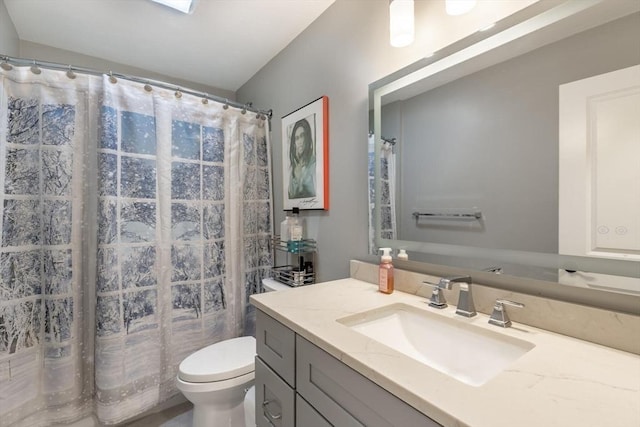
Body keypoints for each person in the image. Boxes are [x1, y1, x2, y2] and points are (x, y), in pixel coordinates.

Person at [288, 117, 316, 199]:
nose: (299, 142)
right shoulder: (293, 171)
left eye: (302, 136)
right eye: (296, 138)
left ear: (307, 137)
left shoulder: (314, 165)